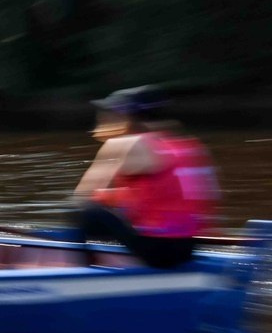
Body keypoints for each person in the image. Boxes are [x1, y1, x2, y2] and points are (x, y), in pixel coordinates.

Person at [71, 85, 218, 268]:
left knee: (86, 210)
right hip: (187, 247)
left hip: (155, 252)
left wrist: (103, 198)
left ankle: (81, 269)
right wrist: (114, 196)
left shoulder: (127, 144)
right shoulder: (191, 147)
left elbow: (82, 195)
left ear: (125, 117)